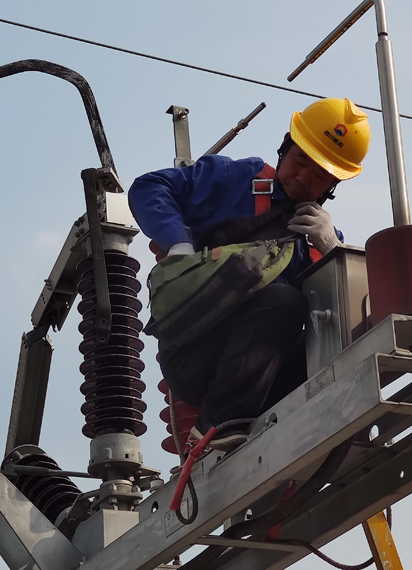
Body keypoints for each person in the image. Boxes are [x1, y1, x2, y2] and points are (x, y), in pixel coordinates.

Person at [128, 98, 370, 450]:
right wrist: (178, 245)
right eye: (300, 161)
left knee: (338, 345)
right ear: (286, 147)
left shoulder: (315, 237)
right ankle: (218, 424)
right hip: (196, 353)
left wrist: (331, 248)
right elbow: (150, 187)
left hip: (266, 378)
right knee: (282, 300)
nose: (303, 178)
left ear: (332, 185)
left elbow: (343, 319)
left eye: (318, 177)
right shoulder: (234, 181)